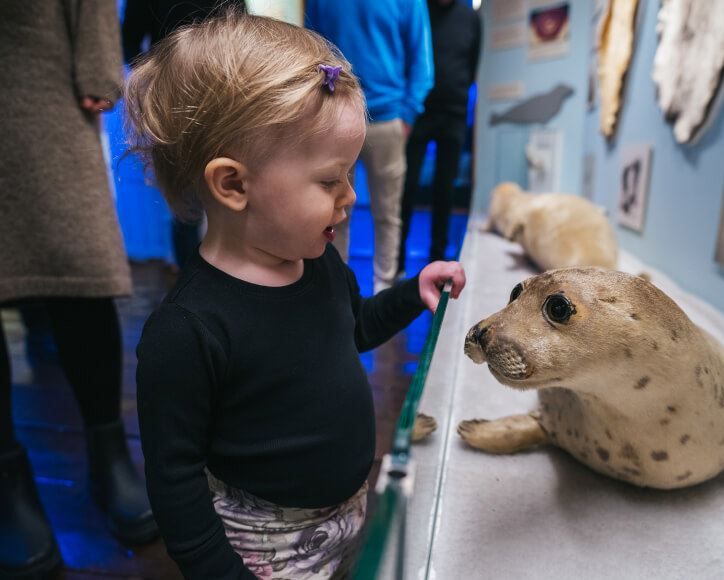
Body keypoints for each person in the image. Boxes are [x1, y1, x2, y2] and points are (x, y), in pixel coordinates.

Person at [125, 13, 466, 578]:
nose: (351, 197)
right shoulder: (188, 330)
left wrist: (412, 293)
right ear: (233, 185)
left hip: (349, 515)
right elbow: (174, 479)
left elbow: (351, 328)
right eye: (331, 181)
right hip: (266, 552)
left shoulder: (319, 262)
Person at [0, 2, 157, 577]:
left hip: (38, 79)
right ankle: (6, 476)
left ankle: (108, 450)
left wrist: (96, 67)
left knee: (83, 271)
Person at [306, 0, 434, 293]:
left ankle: (383, 290)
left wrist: (407, 114)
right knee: (331, 212)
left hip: (387, 118)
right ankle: (333, 289)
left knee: (387, 213)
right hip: (335, 117)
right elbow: (312, 49)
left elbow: (422, 61)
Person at [121, 0, 247, 271]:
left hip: (224, 99)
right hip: (173, 103)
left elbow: (242, 32)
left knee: (231, 189)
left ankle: (230, 276)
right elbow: (129, 42)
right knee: (187, 202)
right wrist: (155, 78)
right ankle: (193, 280)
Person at [398, 0, 481, 274]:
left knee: (445, 190)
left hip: (454, 115)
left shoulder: (470, 18)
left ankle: (437, 262)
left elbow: (471, 65)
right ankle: (398, 260)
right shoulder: (418, 9)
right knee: (407, 186)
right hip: (420, 112)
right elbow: (408, 55)